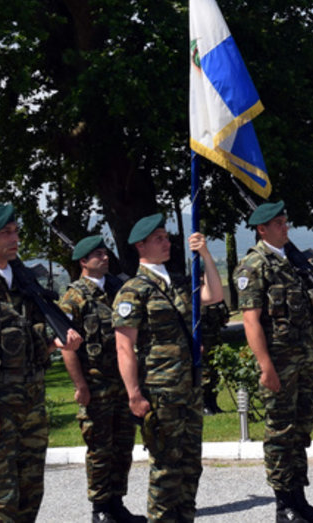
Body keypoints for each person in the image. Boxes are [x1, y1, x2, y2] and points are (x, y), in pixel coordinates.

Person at [0, 202, 82, 522]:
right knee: (0, 495)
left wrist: (57, 343)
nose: (14, 237)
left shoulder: (25, 285)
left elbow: (32, 346)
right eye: (5, 233)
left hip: (32, 406)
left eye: (15, 231)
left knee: (30, 491)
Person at [236, 201, 313, 523]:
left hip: (304, 359)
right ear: (262, 229)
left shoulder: (296, 263)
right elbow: (251, 321)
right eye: (280, 223)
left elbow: (305, 310)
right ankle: (283, 505)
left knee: (300, 432)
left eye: (286, 221)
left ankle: (300, 501)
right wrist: (266, 366)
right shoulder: (254, 265)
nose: (286, 227)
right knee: (280, 433)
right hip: (279, 362)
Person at [112, 213, 225, 522]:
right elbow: (124, 347)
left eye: (166, 237)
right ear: (140, 245)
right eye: (159, 238)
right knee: (165, 469)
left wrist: (204, 254)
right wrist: (134, 394)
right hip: (160, 393)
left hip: (188, 389)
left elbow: (214, 295)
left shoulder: (176, 283)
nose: (167, 242)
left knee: (191, 466)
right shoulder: (133, 290)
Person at [58, 235, 144, 523]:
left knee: (123, 446)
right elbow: (66, 346)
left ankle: (117, 502)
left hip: (122, 384)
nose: (105, 258)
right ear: (83, 262)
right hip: (95, 386)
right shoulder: (73, 298)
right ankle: (100, 509)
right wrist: (80, 385)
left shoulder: (118, 289)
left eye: (106, 253)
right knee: (99, 448)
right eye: (98, 254)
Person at [198, 299, 232, 415]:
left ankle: (213, 402)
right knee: (205, 373)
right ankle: (204, 404)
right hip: (203, 340)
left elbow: (225, 316)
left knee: (215, 372)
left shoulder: (215, 298)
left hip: (214, 338)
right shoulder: (195, 299)